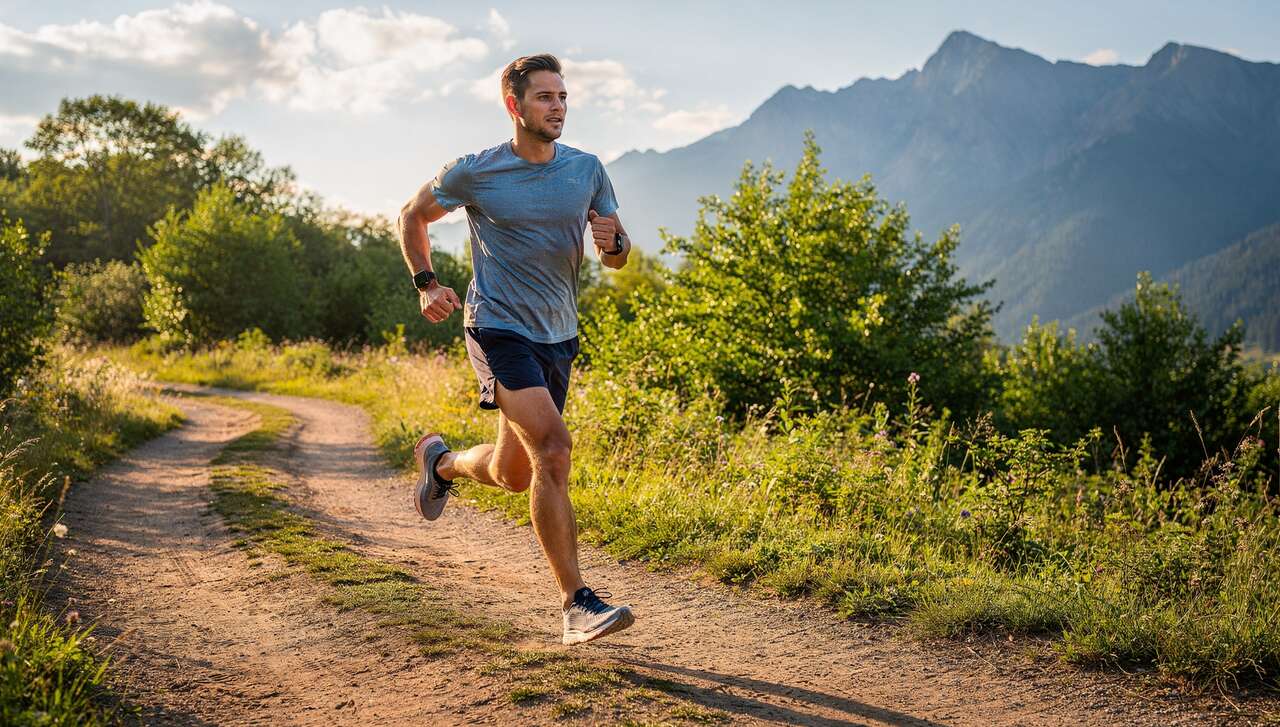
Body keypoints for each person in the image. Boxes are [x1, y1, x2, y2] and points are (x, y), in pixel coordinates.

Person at [397, 53, 635, 645]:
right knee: (554, 449)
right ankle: (576, 604)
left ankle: (442, 463)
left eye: (562, 97)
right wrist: (427, 284)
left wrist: (617, 242)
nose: (558, 107)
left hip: (559, 333)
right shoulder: (477, 171)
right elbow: (412, 215)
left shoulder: (586, 169)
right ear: (515, 105)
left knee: (513, 472)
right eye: (545, 98)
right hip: (497, 327)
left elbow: (615, 252)